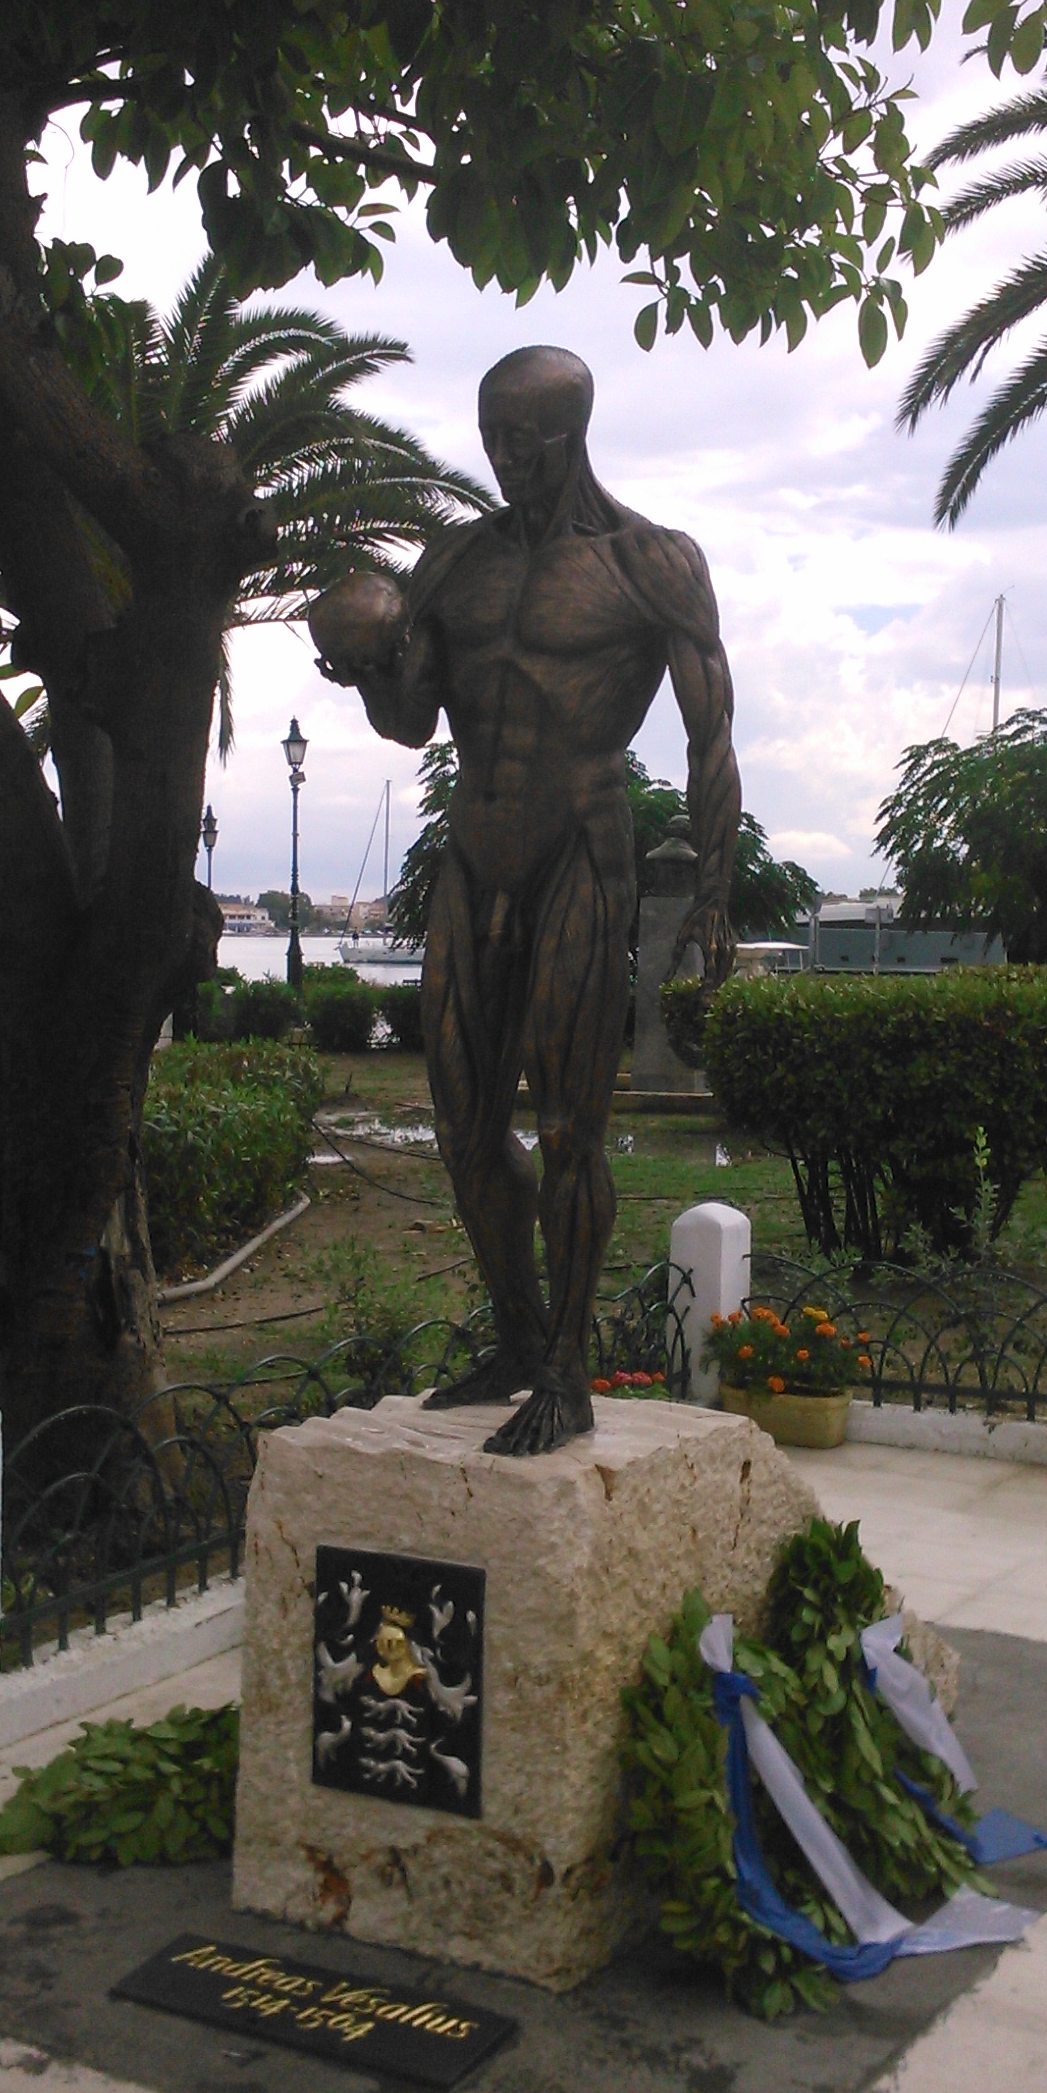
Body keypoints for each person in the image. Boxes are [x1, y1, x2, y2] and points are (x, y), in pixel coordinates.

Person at [309, 344, 740, 1455]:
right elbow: (413, 724)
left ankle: (567, 1373)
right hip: (473, 854)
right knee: (462, 1127)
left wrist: (714, 896)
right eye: (490, 440)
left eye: (524, 443)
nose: (504, 461)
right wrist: (367, 668)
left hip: (581, 851)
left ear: (571, 434)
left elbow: (711, 736)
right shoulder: (455, 562)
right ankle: (514, 1338)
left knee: (566, 1130)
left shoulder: (651, 563)